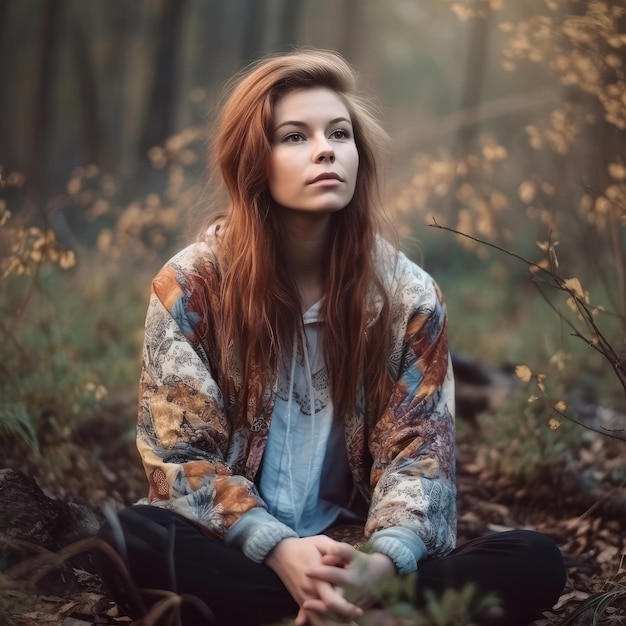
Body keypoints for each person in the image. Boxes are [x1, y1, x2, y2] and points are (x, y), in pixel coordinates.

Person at [97, 49, 566, 626]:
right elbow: (179, 460)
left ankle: (329, 608)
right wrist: (280, 550)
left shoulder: (409, 298)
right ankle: (358, 616)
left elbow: (421, 462)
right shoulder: (191, 285)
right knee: (129, 536)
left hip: (352, 548)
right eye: (294, 136)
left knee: (536, 560)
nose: (325, 149)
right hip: (239, 546)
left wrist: (377, 565)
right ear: (253, 161)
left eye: (339, 134)